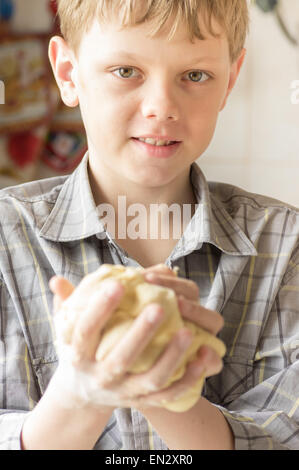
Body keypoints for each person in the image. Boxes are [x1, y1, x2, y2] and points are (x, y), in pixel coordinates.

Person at [0, 0, 298, 451]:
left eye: (195, 75)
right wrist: (79, 392)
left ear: (229, 80)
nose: (162, 107)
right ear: (67, 73)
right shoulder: (6, 236)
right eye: (125, 71)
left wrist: (166, 388)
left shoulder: (286, 245)